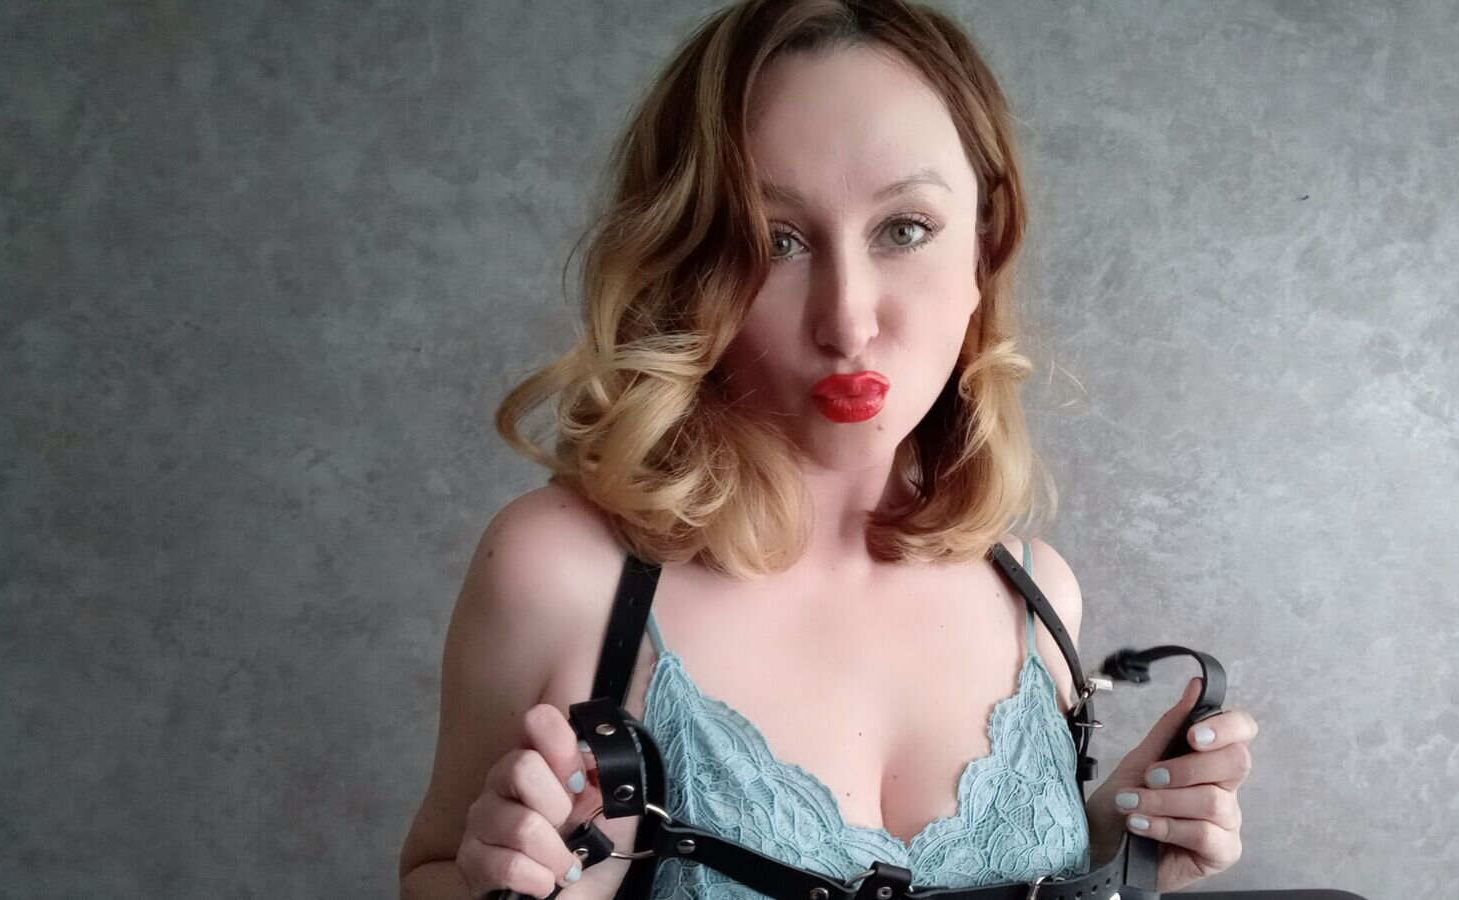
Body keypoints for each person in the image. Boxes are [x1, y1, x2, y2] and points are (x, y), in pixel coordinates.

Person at [398, 2, 1257, 898]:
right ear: (689, 269)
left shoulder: (1037, 598)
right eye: (776, 241)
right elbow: (430, 873)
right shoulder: (560, 572)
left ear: (984, 248)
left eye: (905, 229)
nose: (847, 321)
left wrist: (1117, 844)